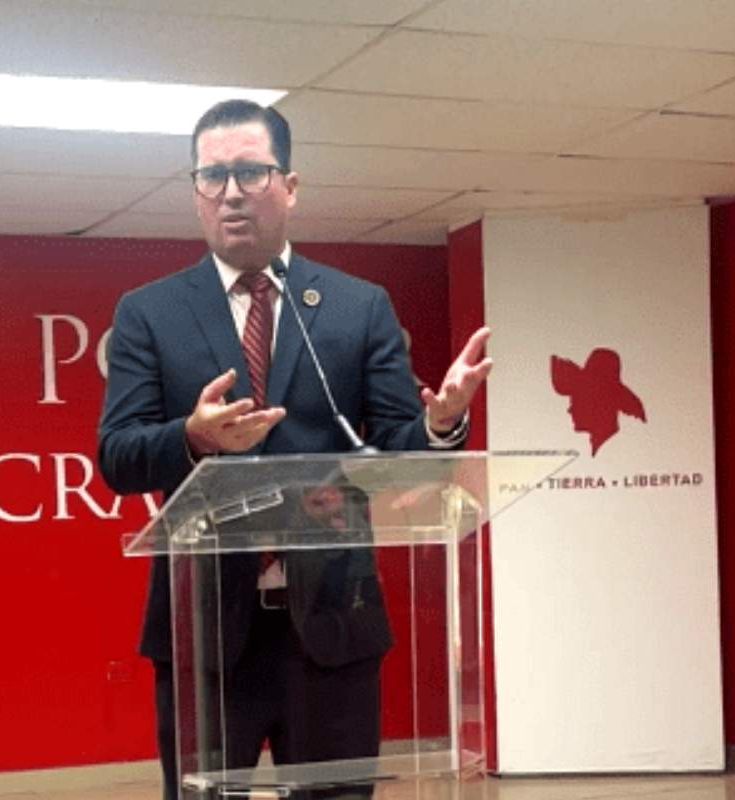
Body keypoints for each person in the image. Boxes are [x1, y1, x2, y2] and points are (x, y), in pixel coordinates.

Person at [97, 99, 491, 799]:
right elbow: (118, 457)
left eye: (250, 172)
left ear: (290, 185)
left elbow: (394, 451)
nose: (231, 192)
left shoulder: (357, 306)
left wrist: (439, 425)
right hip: (205, 632)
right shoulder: (148, 312)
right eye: (212, 175)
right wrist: (191, 437)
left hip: (334, 623)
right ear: (195, 191)